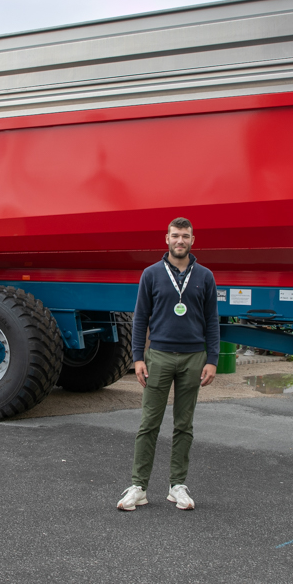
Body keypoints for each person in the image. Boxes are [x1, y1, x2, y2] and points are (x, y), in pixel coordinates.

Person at [117, 217, 219, 511]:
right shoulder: (151, 275)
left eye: (185, 236)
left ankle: (177, 486)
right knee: (149, 423)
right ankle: (139, 486)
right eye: (175, 236)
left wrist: (212, 360)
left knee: (184, 425)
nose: (180, 241)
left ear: (192, 240)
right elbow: (140, 320)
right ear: (166, 239)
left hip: (193, 358)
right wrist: (138, 357)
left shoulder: (205, 276)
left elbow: (212, 321)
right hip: (158, 357)